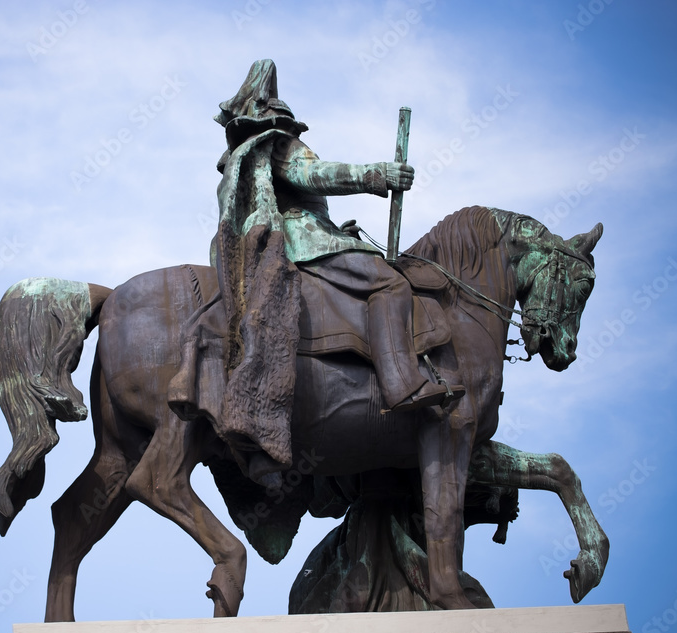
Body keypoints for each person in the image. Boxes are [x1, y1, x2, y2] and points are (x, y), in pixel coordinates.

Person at [169, 59, 462, 478]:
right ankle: (402, 383)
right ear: (280, 119)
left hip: (291, 239)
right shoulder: (280, 145)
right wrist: (379, 174)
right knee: (390, 283)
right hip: (304, 243)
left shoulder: (244, 156)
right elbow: (317, 176)